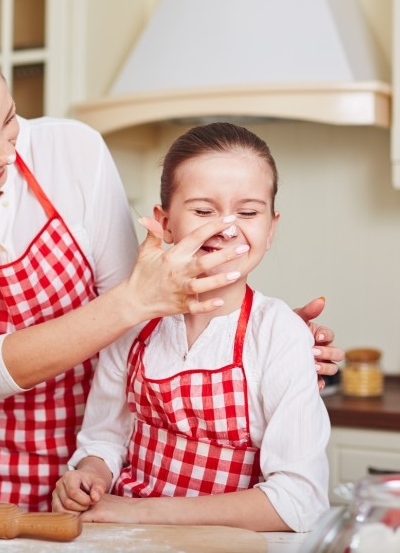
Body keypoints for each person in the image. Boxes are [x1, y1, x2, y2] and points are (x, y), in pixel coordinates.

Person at [0, 14, 341, 513]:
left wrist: (262, 344)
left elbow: (145, 316)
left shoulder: (70, 150)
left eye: (9, 121)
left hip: (105, 468)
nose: (6, 155)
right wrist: (135, 302)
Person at [52, 122, 331, 532]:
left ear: (271, 229)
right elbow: (104, 440)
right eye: (203, 211)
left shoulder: (279, 335)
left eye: (248, 212)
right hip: (128, 539)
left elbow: (298, 501)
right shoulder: (131, 326)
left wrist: (141, 511)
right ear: (165, 224)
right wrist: (91, 475)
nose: (227, 227)